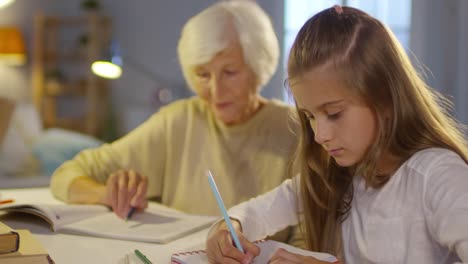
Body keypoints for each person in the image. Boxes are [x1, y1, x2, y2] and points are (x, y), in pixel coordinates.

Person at [206, 5, 468, 264]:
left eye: (333, 113)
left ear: (385, 98)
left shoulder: (439, 177)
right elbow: (260, 211)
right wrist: (229, 228)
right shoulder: (336, 172)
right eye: (310, 116)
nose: (319, 135)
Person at [50, 1, 300, 244]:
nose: (215, 90)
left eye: (230, 72)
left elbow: (311, 239)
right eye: (203, 74)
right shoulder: (179, 121)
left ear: (259, 67)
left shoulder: (295, 129)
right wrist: (107, 194)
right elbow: (66, 175)